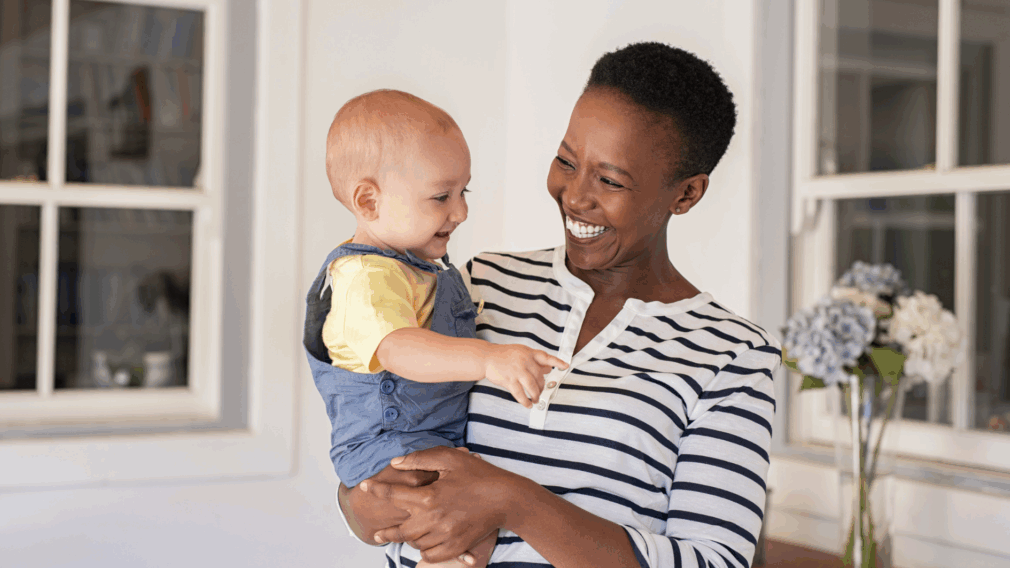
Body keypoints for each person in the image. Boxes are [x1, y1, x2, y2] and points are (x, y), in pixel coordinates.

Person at [336, 42, 782, 568]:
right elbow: (380, 420)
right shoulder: (475, 285)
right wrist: (356, 502)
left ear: (685, 195)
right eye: (566, 161)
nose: (574, 195)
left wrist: (513, 501)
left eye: (610, 180)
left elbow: (718, 562)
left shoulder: (733, 356)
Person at [303, 89, 569, 568]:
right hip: (390, 448)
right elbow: (402, 350)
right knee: (467, 521)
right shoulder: (364, 277)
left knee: (474, 523)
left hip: (426, 441)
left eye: (464, 191)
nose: (461, 211)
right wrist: (491, 359)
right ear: (369, 200)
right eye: (441, 196)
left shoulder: (417, 266)